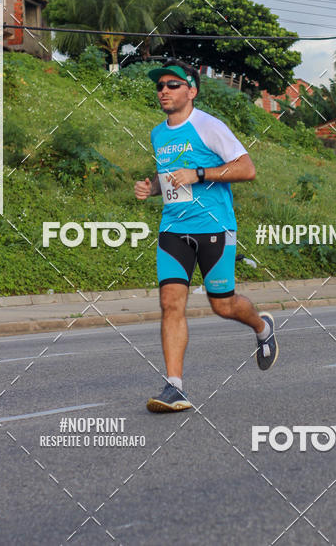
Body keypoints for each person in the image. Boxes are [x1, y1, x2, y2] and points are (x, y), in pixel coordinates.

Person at [134, 60, 278, 413]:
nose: (163, 90)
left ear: (191, 90)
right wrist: (150, 187)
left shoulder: (209, 126)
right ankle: (174, 386)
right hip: (173, 230)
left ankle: (262, 326)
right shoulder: (158, 133)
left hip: (215, 229)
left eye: (172, 84)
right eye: (160, 86)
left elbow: (247, 168)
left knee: (222, 305)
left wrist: (199, 173)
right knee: (170, 304)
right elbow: (169, 178)